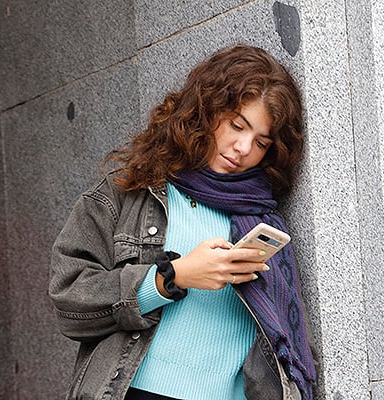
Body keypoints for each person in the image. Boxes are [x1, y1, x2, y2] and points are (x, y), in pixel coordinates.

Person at [49, 44, 317, 400]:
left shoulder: (262, 220)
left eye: (261, 142)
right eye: (237, 125)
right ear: (206, 109)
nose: (242, 147)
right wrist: (169, 278)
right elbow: (70, 298)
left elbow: (284, 343)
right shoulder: (129, 192)